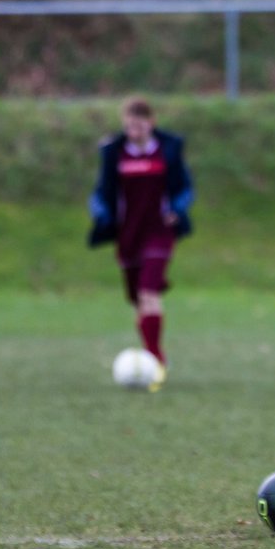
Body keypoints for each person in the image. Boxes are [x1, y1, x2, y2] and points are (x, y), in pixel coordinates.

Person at [88, 96, 194, 391]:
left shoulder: (168, 149)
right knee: (138, 299)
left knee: (150, 292)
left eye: (139, 124)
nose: (134, 130)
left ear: (151, 123)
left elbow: (185, 187)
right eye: (129, 125)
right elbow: (101, 192)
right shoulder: (114, 152)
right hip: (127, 234)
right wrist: (101, 215)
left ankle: (156, 359)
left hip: (160, 231)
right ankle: (152, 351)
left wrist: (178, 208)